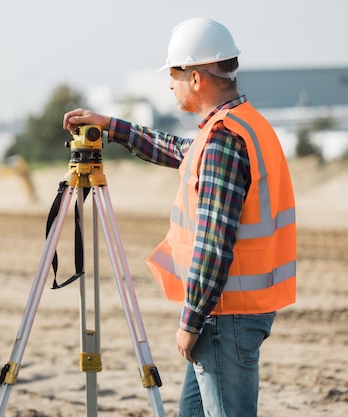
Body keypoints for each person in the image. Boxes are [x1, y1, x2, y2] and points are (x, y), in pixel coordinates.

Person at [63, 17, 296, 417]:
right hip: (229, 312)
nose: (168, 85)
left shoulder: (224, 139)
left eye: (172, 75)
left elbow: (213, 242)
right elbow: (177, 149)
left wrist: (190, 322)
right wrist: (112, 128)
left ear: (195, 78)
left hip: (224, 316)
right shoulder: (239, 125)